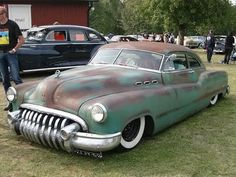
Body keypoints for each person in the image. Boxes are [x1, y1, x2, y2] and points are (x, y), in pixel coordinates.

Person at [0, 6, 25, 110]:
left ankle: (23, 100)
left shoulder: (12, 24)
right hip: (0, 55)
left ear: (4, 14)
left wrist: (14, 50)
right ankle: (10, 102)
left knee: (16, 78)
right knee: (5, 80)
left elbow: (22, 39)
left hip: (11, 54)